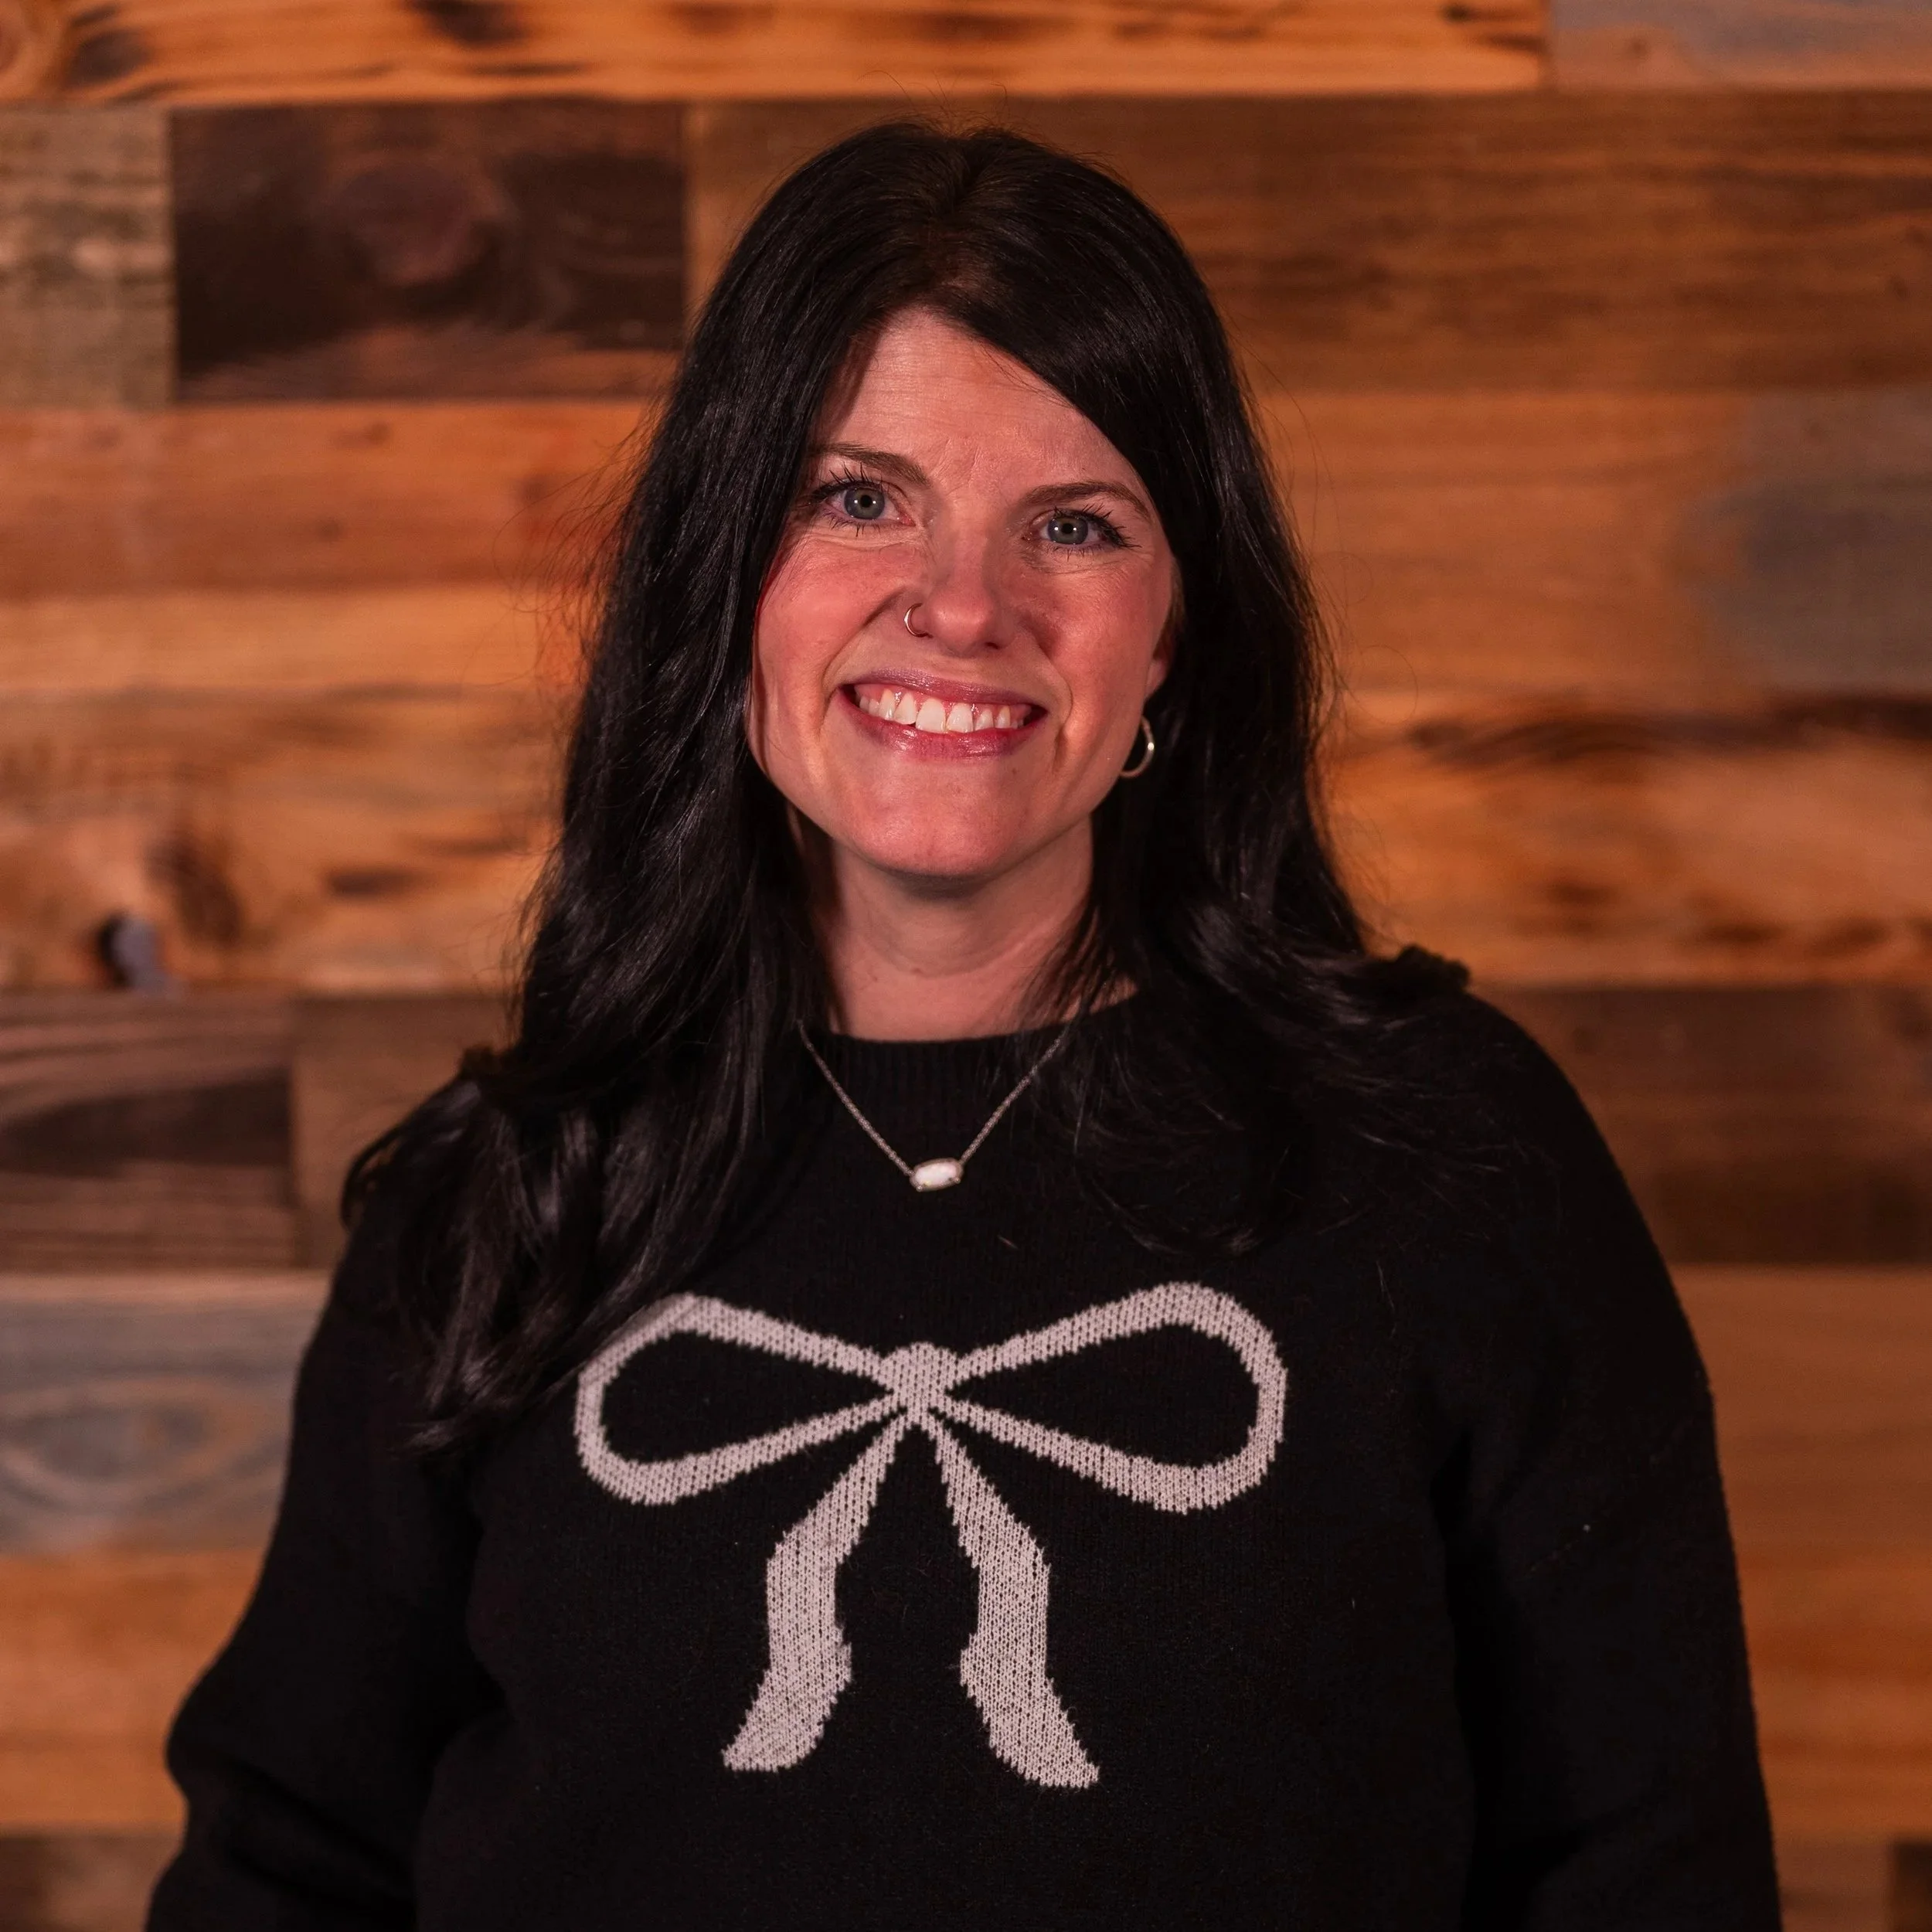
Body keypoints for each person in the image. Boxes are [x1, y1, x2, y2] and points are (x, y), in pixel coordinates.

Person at [150, 122, 1780, 1930]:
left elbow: (1649, 1868)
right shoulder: (508, 1190)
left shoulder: (1444, 1153)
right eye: (856, 498)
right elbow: (282, 1864)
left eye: (1072, 525)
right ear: (723, 581)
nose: (960, 606)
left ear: (1171, 630)